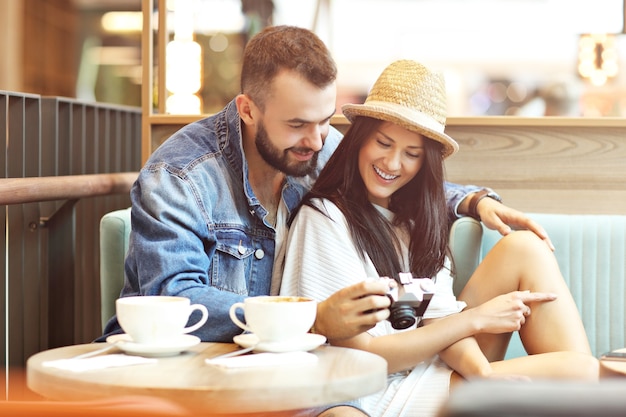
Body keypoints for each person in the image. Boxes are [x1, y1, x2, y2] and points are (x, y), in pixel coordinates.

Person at [99, 25, 555, 415]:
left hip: (290, 366)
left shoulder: (312, 146)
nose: (317, 141)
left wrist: (472, 201)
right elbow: (173, 301)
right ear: (247, 109)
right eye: (298, 123)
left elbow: (391, 178)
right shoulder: (179, 176)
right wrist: (311, 318)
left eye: (324, 121)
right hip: (196, 371)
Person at [278, 60, 599, 417]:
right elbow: (358, 357)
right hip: (371, 391)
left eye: (412, 154)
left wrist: (484, 375)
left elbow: (440, 320)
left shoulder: (417, 222)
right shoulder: (325, 217)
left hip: (425, 371)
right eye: (383, 142)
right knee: (582, 373)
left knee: (524, 247)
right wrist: (475, 320)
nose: (393, 163)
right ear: (359, 140)